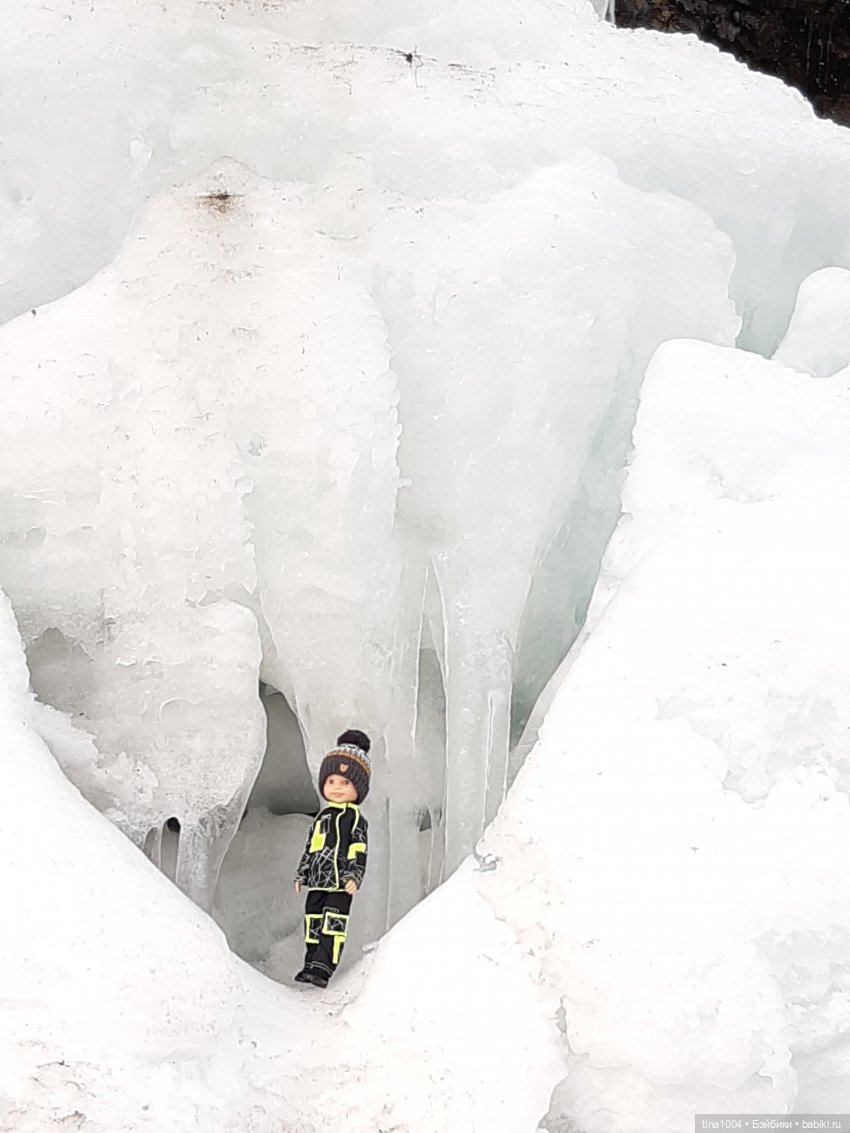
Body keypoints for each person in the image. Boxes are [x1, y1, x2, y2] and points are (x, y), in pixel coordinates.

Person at [293, 729, 371, 987]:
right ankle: (310, 962)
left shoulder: (355, 819)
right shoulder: (322, 818)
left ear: (358, 789)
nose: (337, 788)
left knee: (333, 924)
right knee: (313, 922)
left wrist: (354, 876)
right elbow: (311, 848)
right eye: (331, 782)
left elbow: (358, 849)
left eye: (345, 783)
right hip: (317, 881)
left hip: (339, 882)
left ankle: (324, 967)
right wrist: (302, 873)